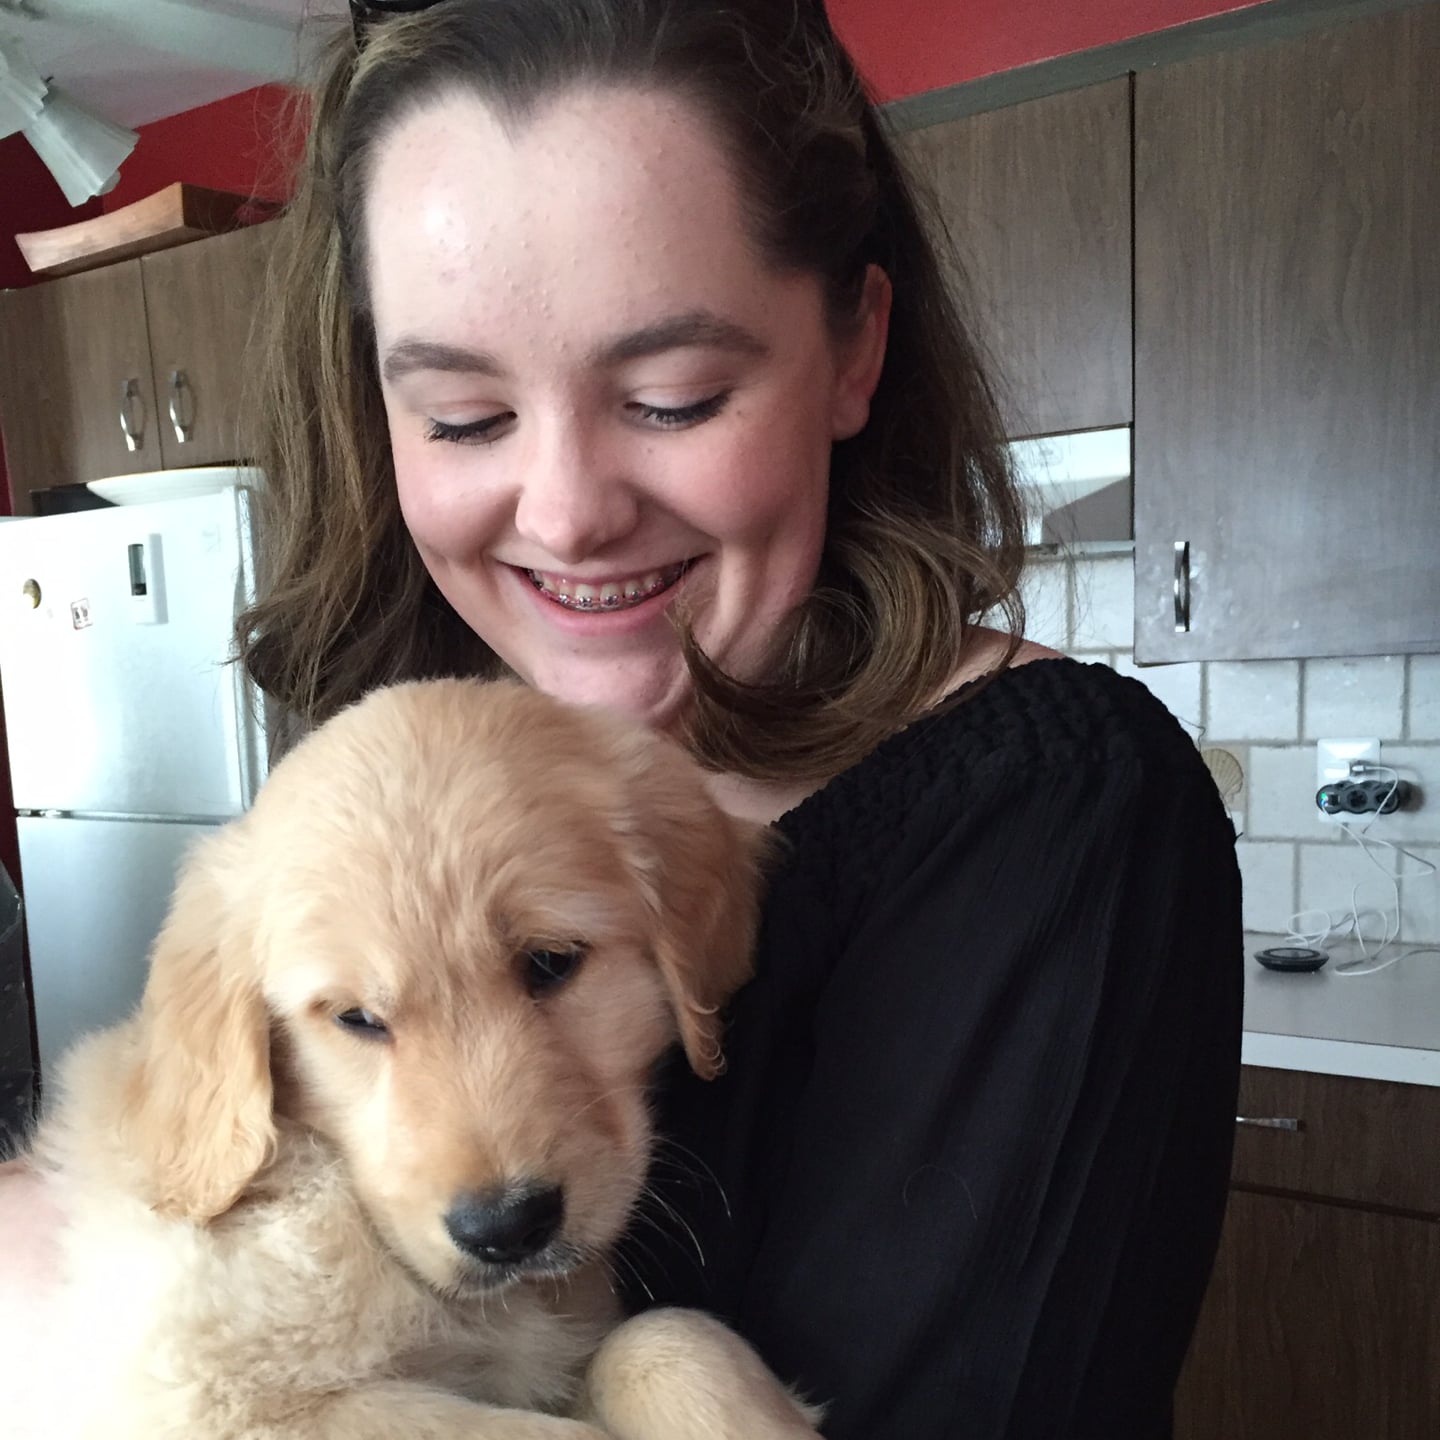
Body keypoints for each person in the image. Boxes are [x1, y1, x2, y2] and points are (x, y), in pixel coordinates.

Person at [0, 2, 1243, 1436]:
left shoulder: (1057, 818)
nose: (568, 514)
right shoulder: (422, 773)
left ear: (854, 348)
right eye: (465, 417)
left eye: (672, 395)